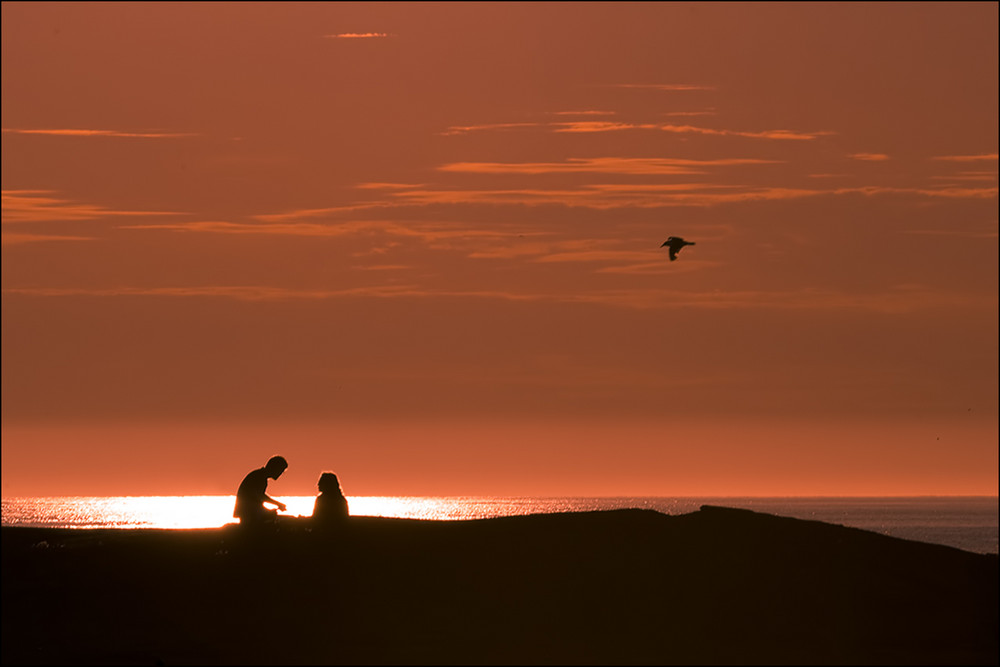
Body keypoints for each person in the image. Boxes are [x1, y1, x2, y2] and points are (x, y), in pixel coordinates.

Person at [234, 456, 288, 527]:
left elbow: (257, 498)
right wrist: (277, 504)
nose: (280, 474)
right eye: (281, 471)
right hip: (248, 514)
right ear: (275, 468)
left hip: (249, 512)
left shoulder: (259, 476)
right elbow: (258, 496)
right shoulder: (259, 477)